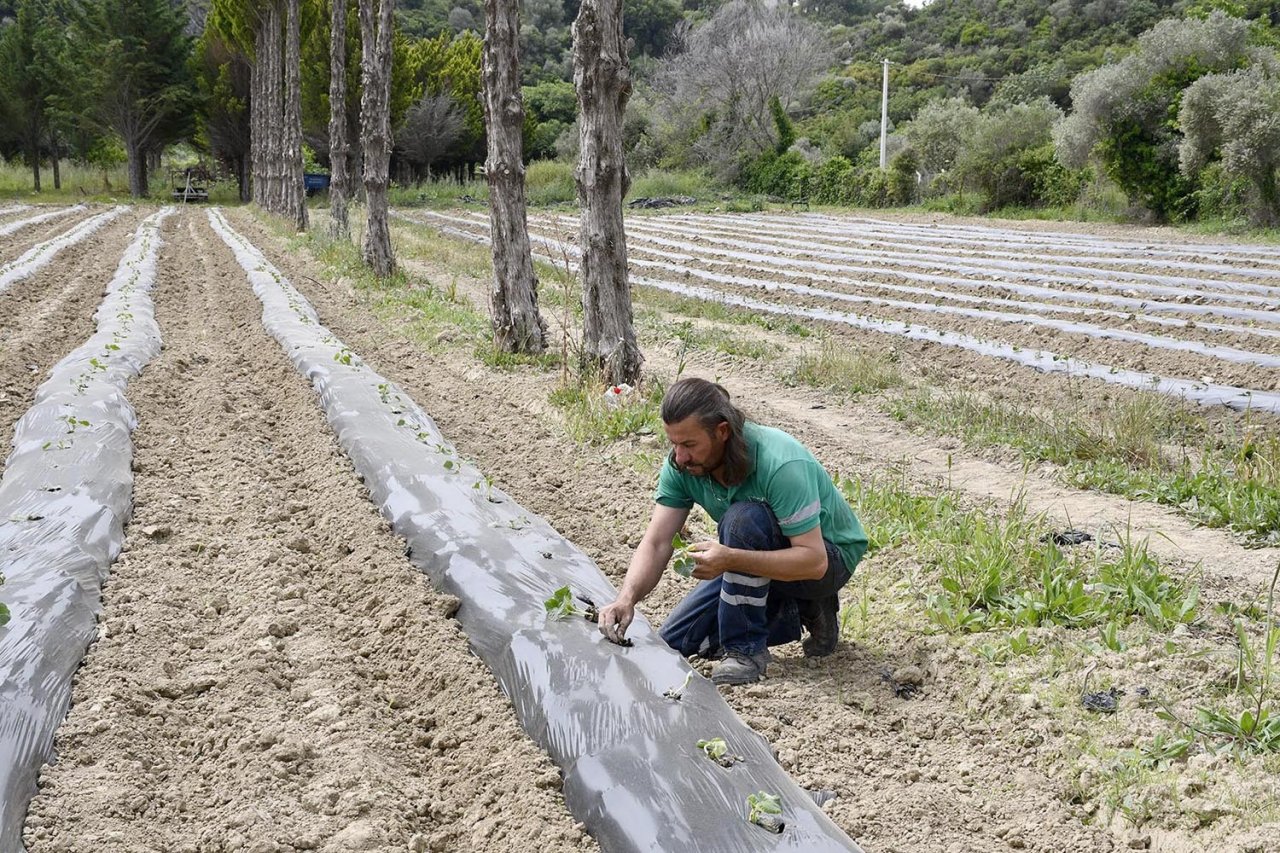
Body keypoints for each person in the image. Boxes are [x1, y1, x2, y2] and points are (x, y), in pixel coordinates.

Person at [597, 377, 867, 685]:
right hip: (761, 557)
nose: (680, 457)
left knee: (742, 520)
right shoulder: (682, 466)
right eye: (674, 443)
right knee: (675, 642)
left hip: (826, 561)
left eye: (689, 445)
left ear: (722, 431)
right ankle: (798, 611)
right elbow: (658, 542)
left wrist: (730, 560)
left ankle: (747, 651)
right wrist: (626, 598)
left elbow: (814, 561)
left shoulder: (780, 463)